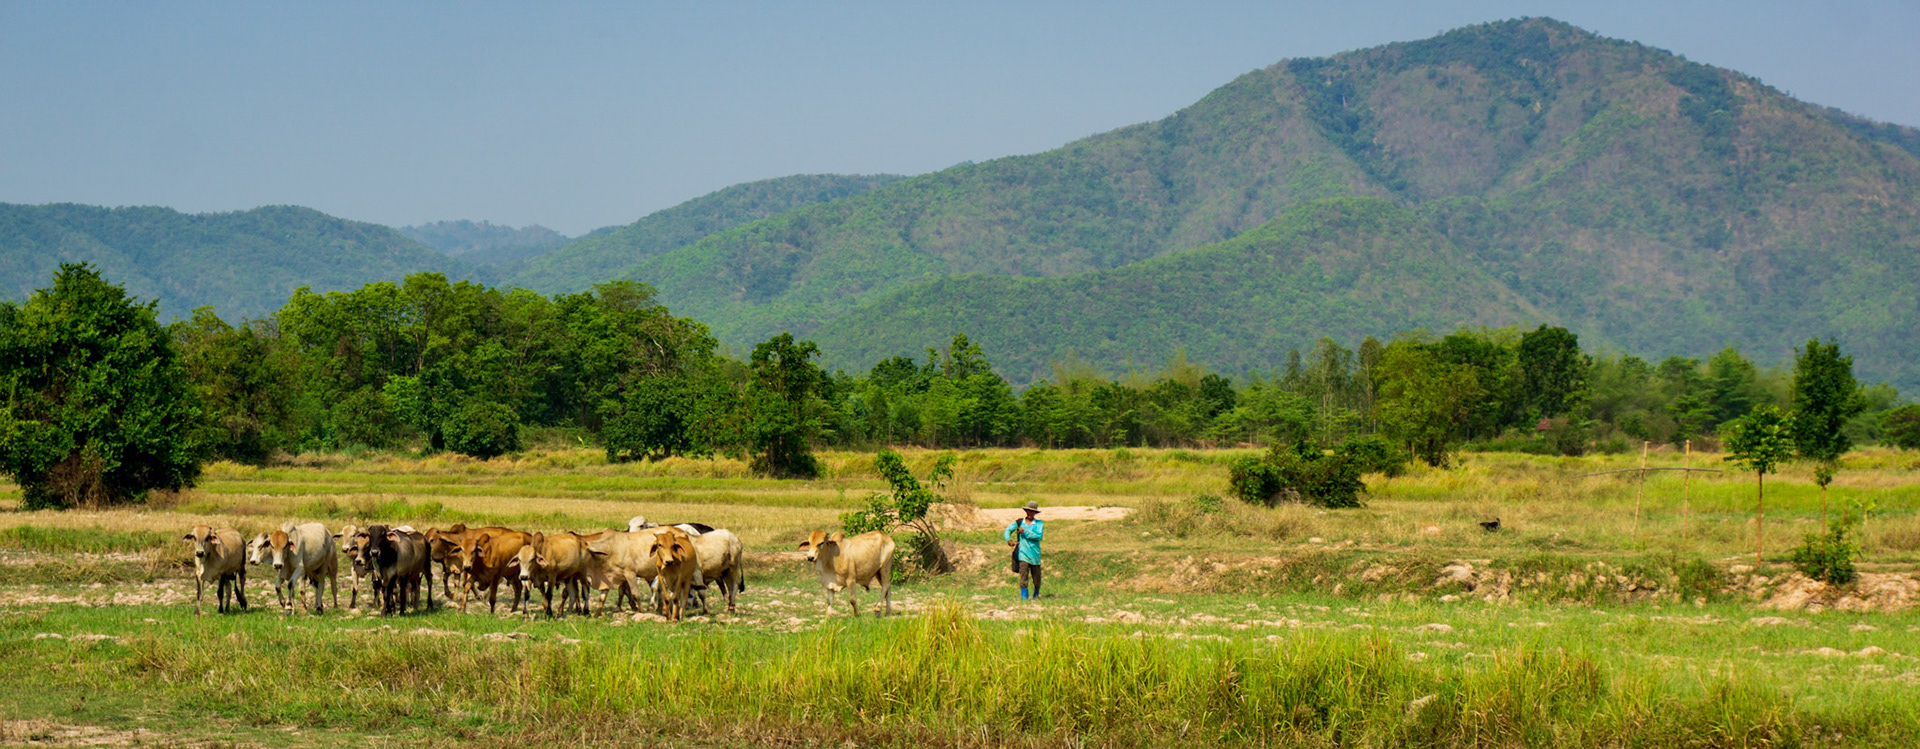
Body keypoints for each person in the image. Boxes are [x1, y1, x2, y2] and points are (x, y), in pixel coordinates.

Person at [1003, 500, 1044, 600]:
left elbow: (1038, 536)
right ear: (1026, 511)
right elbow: (1008, 530)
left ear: (1035, 513)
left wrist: (1024, 533)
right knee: (1023, 575)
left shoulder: (1039, 524)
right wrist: (1008, 539)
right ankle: (1024, 597)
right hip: (1023, 554)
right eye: (1029, 511)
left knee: (1036, 577)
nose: (1030, 514)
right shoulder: (1019, 522)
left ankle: (1036, 594)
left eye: (1032, 512)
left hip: (1035, 555)